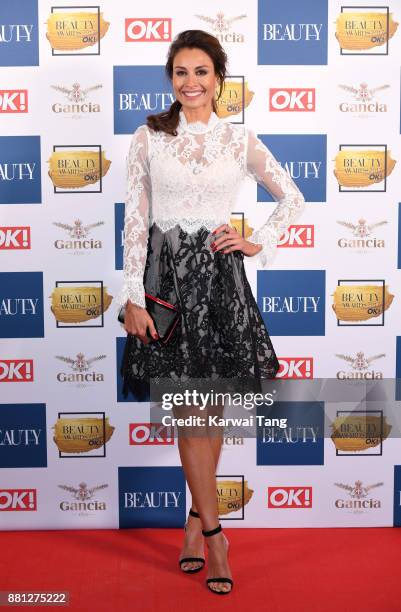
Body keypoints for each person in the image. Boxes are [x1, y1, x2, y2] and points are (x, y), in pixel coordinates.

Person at [116, 29, 305, 595]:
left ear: (219, 78)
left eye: (201, 71)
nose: (190, 82)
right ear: (170, 79)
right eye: (180, 72)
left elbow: (291, 196)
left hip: (220, 283)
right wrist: (131, 294)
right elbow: (135, 219)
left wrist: (256, 241)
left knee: (210, 410)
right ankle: (217, 533)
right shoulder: (149, 137)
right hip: (167, 284)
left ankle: (194, 522)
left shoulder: (238, 138)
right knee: (191, 413)